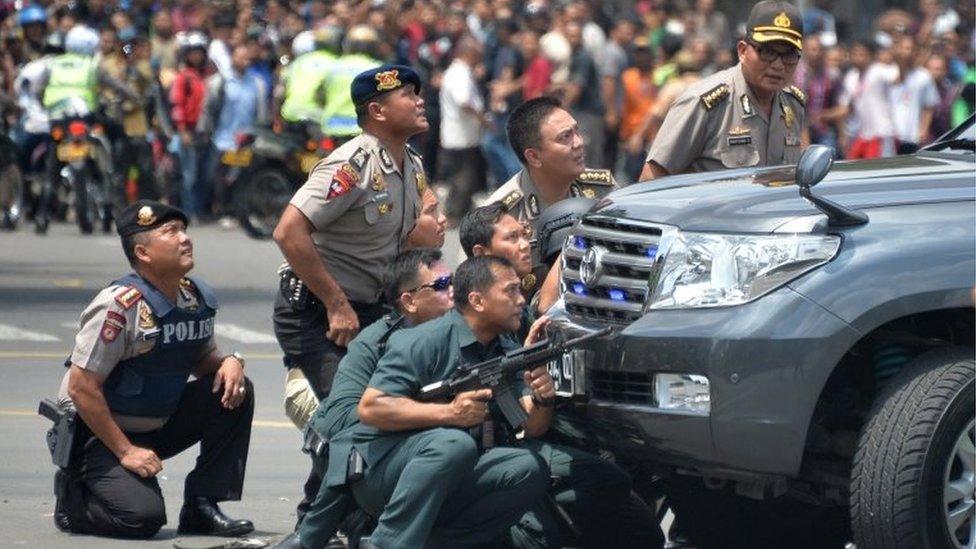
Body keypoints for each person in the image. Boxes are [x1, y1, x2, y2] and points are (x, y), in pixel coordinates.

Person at [272, 64, 428, 524]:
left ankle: (342, 515)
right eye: (407, 94)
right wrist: (337, 304)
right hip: (317, 310)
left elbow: (395, 245)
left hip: (369, 310)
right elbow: (289, 231)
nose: (419, 100)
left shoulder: (410, 165)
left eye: (419, 92)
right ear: (376, 110)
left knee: (385, 405)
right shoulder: (351, 163)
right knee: (350, 413)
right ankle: (313, 520)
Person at [458, 202, 663, 549]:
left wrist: (540, 392)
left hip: (537, 437)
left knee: (641, 527)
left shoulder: (518, 304)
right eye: (512, 238)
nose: (525, 243)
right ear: (481, 254)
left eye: (525, 235)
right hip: (491, 459)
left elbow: (530, 418)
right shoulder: (469, 317)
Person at [47, 200, 254, 539]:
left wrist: (231, 361)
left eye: (184, 230)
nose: (185, 238)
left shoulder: (193, 297)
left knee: (236, 390)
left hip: (157, 422)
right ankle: (73, 499)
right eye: (170, 232)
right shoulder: (118, 305)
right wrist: (126, 451)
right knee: (142, 518)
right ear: (143, 253)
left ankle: (202, 506)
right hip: (98, 435)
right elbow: (81, 386)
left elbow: (203, 359)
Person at [327, 255, 556, 548]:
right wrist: (450, 413)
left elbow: (529, 425)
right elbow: (371, 406)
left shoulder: (502, 348)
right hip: (382, 470)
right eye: (510, 290)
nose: (521, 300)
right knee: (453, 445)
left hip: (447, 471)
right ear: (477, 300)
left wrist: (542, 397)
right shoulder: (425, 340)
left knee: (527, 468)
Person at [277, 248, 455, 549]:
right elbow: (338, 424)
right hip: (346, 453)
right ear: (408, 302)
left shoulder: (447, 332)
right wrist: (428, 413)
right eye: (440, 286)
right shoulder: (380, 340)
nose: (451, 292)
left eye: (453, 283)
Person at [641, 0, 807, 179]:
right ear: (742, 51)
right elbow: (651, 179)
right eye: (767, 51)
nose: (778, 65)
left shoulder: (793, 104)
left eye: (789, 55)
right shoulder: (706, 103)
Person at [487, 96, 617, 297]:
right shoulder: (502, 212)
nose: (579, 143)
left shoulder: (602, 189)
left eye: (576, 131)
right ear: (534, 157)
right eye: (565, 137)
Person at [438, 35, 487, 224]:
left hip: (460, 134)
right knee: (463, 176)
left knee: (465, 174)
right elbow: (464, 101)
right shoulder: (460, 73)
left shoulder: (459, 72)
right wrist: (483, 120)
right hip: (460, 135)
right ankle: (453, 213)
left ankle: (462, 211)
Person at [320, 25, 383, 141]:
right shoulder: (376, 69)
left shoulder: (333, 67)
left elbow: (320, 96)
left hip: (331, 128)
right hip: (361, 131)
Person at [277, 26, 341, 131]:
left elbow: (279, 94)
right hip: (317, 119)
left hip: (290, 116)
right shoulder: (336, 64)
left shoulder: (297, 62)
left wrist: (277, 118)